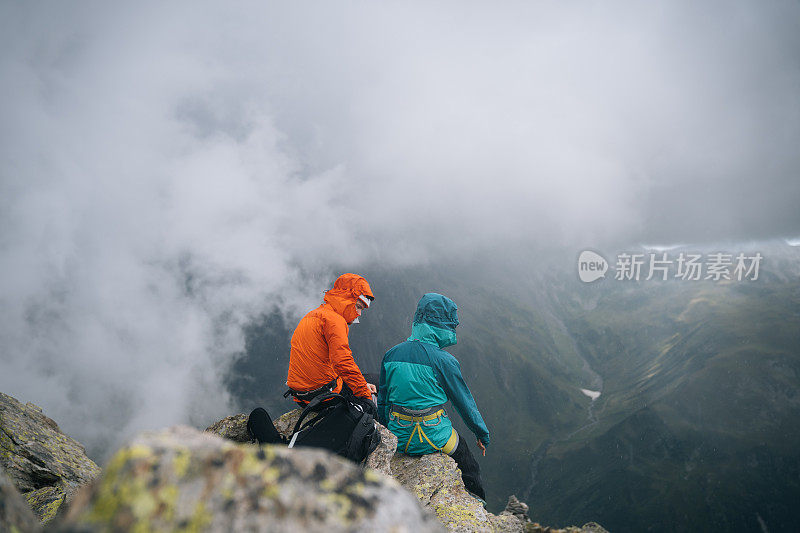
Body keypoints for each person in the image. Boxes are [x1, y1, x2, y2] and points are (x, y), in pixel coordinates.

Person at [377, 293, 490, 501]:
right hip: (434, 436)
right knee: (468, 463)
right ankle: (477, 505)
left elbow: (383, 400)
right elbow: (464, 404)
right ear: (442, 325)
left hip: (399, 436)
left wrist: (387, 432)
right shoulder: (444, 361)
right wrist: (481, 434)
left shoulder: (391, 354)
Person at [285, 273, 377, 414]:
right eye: (358, 307)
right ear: (347, 300)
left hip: (301, 396)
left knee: (364, 381)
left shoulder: (313, 315)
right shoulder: (335, 321)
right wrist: (365, 394)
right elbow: (342, 362)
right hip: (323, 397)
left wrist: (362, 384)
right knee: (377, 383)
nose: (359, 313)